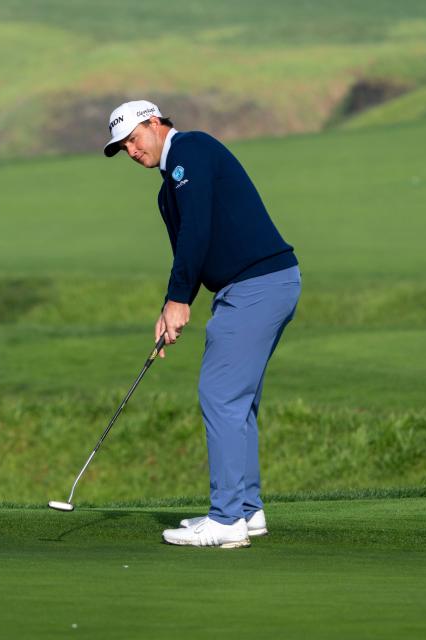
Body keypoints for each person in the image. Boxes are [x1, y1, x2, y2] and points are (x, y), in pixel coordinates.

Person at [104, 100, 301, 548]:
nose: (132, 151)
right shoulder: (166, 191)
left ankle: (226, 518)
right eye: (123, 148)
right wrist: (172, 307)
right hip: (253, 286)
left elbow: (197, 228)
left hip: (257, 283)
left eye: (134, 139)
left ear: (156, 123)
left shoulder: (190, 149)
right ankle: (247, 513)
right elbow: (190, 251)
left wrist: (177, 300)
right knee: (240, 401)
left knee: (221, 395)